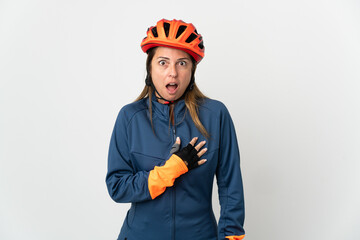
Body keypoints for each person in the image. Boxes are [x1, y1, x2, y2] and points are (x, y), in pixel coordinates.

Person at [106, 19, 245, 240]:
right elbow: (117, 187)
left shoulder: (215, 115)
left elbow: (230, 187)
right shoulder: (129, 117)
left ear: (192, 70)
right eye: (163, 63)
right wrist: (171, 170)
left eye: (182, 63)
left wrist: (231, 237)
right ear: (150, 68)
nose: (173, 73)